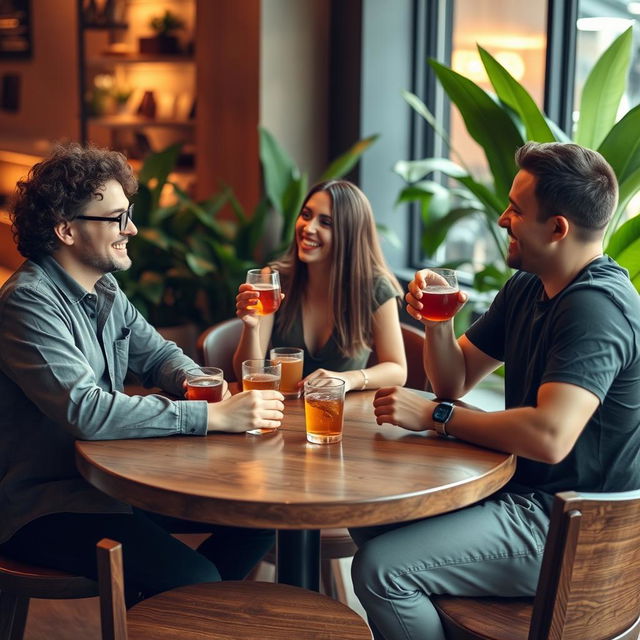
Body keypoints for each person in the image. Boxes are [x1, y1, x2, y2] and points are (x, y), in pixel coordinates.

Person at [350, 141, 640, 640]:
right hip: (520, 495)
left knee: (381, 568)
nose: (503, 219)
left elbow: (550, 435)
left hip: (571, 528)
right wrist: (439, 323)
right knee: (369, 515)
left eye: (516, 209)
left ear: (557, 228)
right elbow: (453, 380)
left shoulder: (596, 307)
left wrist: (437, 418)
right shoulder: (531, 285)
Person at [0, 143, 283, 604]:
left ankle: (161, 610)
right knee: (198, 581)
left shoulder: (105, 288)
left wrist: (205, 387)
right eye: (115, 218)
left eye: (127, 214)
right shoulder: (28, 303)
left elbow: (158, 356)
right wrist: (211, 418)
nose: (131, 228)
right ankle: (179, 604)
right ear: (66, 230)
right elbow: (85, 411)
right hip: (46, 505)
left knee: (263, 515)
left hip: (108, 485)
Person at [233, 179, 407, 391]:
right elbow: (248, 377)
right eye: (306, 215)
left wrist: (348, 380)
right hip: (280, 410)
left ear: (348, 235)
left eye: (325, 223)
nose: (309, 227)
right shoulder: (274, 280)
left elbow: (397, 370)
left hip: (337, 413)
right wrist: (251, 328)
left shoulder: (374, 287)